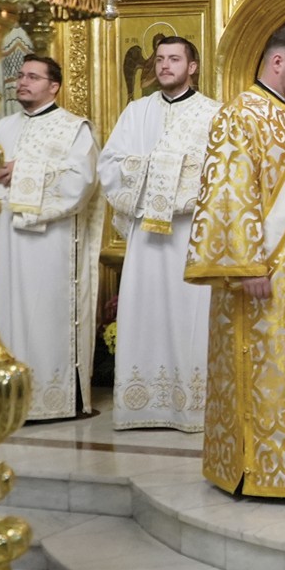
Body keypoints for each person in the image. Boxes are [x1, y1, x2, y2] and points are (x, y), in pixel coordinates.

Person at [184, 22, 285, 497]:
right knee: (267, 367)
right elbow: (229, 194)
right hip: (263, 274)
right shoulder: (240, 114)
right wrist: (247, 264)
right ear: (277, 62)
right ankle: (261, 470)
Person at [99, 36, 220, 433]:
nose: (165, 65)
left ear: (193, 67)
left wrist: (176, 174)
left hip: (191, 234)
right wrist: (159, 167)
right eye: (161, 59)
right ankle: (142, 405)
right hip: (146, 237)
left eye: (175, 59)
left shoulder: (214, 114)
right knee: (146, 310)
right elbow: (110, 165)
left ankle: (193, 407)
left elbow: (224, 172)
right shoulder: (136, 112)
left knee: (190, 313)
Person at [0, 54, 104, 421]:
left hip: (50, 246)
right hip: (4, 243)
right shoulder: (0, 129)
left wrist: (23, 172)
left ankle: (53, 399)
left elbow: (81, 183)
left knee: (44, 315)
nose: (23, 82)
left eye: (33, 77)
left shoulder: (74, 129)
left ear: (54, 86)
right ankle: (6, 399)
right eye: (21, 76)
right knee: (3, 313)